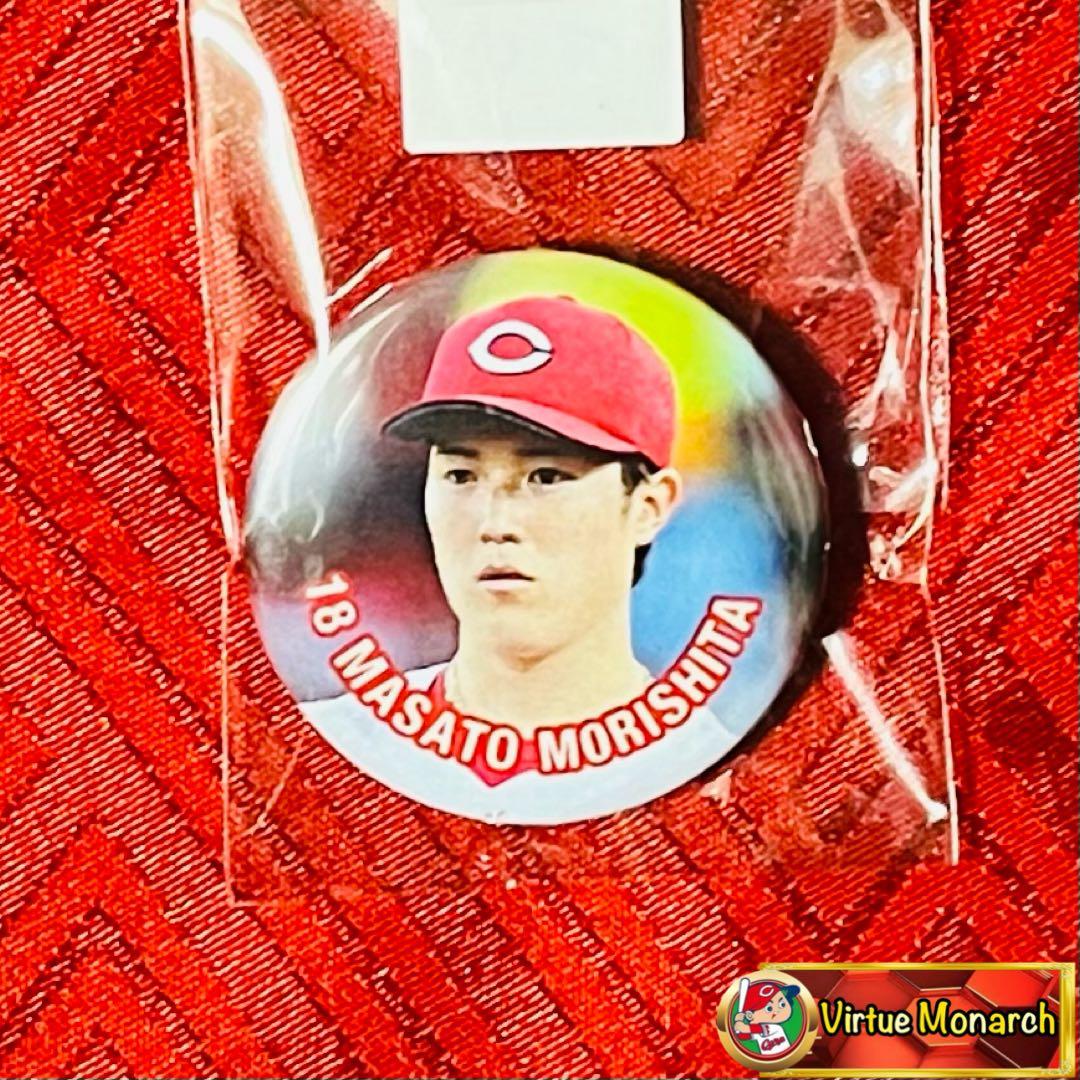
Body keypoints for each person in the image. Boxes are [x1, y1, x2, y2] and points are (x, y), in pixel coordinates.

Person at [300, 296, 750, 823]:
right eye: (461, 476)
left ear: (648, 508)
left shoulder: (714, 777)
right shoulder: (329, 755)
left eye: (546, 476)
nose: (495, 523)